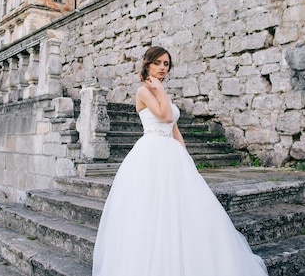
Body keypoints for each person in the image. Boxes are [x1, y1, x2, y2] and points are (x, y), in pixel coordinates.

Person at [91, 46, 269, 276]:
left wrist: (186, 158)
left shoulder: (162, 91)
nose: (163, 68)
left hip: (172, 152)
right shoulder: (144, 91)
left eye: (166, 64)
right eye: (158, 63)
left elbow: (174, 128)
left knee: (184, 206)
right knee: (152, 209)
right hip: (151, 151)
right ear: (147, 64)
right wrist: (162, 92)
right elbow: (164, 116)